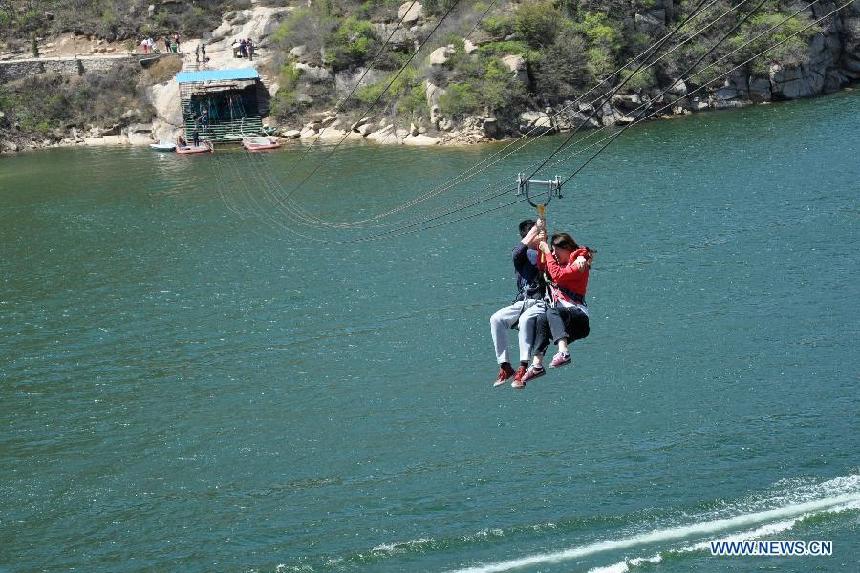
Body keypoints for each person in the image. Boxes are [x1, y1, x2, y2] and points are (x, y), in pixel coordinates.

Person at [522, 232, 594, 382]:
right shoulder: (558, 263)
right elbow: (543, 265)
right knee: (542, 318)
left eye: (556, 250)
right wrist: (543, 245)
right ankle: (537, 365)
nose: (554, 254)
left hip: (578, 318)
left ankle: (563, 353)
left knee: (552, 312)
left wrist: (583, 254)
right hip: (564, 323)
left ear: (567, 248)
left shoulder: (578, 265)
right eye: (552, 250)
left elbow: (558, 276)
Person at [489, 219, 548, 388]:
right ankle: (505, 366)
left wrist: (544, 244)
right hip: (523, 302)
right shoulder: (522, 256)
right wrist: (536, 230)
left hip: (541, 302)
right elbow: (517, 251)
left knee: (524, 321)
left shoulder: (548, 253)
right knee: (496, 319)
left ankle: (523, 367)